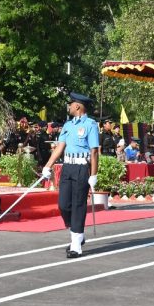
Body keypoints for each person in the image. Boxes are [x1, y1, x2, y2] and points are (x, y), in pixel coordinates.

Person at [42, 93, 99, 258]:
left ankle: (76, 244)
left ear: (78, 106)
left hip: (82, 168)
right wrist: (47, 166)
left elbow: (94, 151)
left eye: (71, 104)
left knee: (78, 205)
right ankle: (76, 232)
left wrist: (93, 174)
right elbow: (60, 148)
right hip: (67, 167)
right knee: (63, 205)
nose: (69, 106)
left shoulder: (90, 125)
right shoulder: (68, 125)